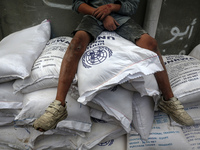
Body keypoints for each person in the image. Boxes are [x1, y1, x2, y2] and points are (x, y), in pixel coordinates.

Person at [33, 0, 194, 132]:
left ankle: (168, 100)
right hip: (92, 17)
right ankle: (58, 106)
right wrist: (102, 16)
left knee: (151, 43)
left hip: (120, 19)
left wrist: (110, 8)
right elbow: (77, 4)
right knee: (76, 43)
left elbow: (132, 5)